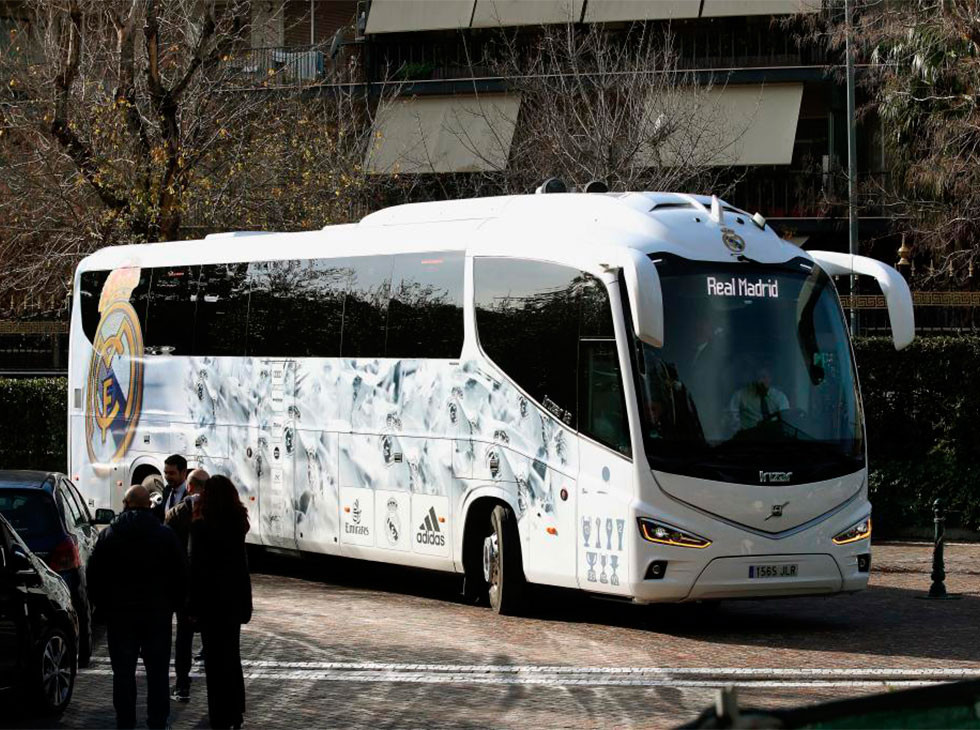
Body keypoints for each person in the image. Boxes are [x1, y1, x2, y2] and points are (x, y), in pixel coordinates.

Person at [86, 485, 186, 730]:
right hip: (156, 615)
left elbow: (94, 575)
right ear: (149, 505)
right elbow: (181, 573)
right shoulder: (165, 535)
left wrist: (103, 605)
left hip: (120, 615)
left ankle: (125, 721)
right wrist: (174, 604)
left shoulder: (109, 535)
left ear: (125, 503)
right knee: (158, 673)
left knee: (123, 673)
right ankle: (157, 721)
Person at [188, 475, 252, 729]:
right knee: (231, 656)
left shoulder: (200, 526)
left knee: (214, 662)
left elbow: (196, 567)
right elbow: (240, 566)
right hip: (233, 600)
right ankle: (236, 711)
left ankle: (219, 715)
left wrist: (192, 605)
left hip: (210, 601)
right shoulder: (238, 523)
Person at [165, 467, 209, 703]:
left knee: (183, 638)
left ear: (190, 486)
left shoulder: (184, 510)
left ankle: (182, 685)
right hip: (210, 585)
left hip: (186, 582)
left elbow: (168, 523)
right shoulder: (222, 510)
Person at [728, 366, 789, 431]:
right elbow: (733, 420)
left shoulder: (780, 397)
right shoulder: (740, 396)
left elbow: (785, 422)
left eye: (764, 377)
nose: (760, 381)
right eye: (758, 378)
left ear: (770, 378)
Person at [153, 454, 189, 522]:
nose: (167, 477)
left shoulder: (190, 494)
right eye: (166, 473)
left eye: (172, 473)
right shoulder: (167, 489)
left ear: (184, 472)